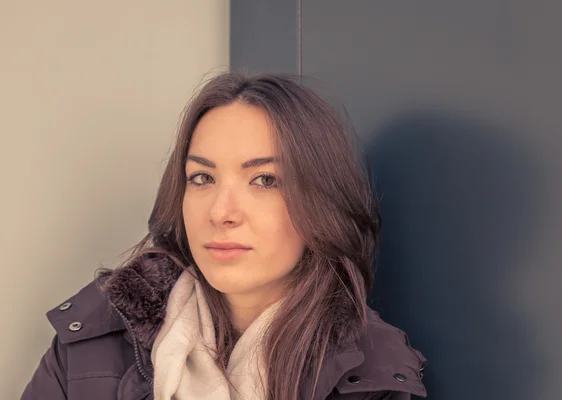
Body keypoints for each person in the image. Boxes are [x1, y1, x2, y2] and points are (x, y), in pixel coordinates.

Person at [21, 72, 427, 400]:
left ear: (321, 200)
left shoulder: (372, 378)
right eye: (202, 178)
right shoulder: (88, 347)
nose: (220, 212)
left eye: (265, 180)